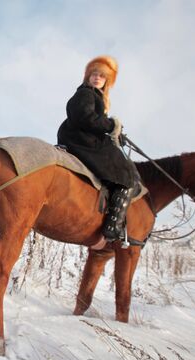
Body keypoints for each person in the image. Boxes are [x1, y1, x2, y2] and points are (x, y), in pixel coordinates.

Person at [57, 55, 137, 242]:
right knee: (126, 172)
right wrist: (110, 126)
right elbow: (86, 117)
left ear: (106, 81)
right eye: (94, 74)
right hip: (80, 139)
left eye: (101, 76)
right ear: (88, 76)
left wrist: (115, 133)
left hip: (83, 137)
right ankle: (113, 225)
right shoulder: (86, 93)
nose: (97, 78)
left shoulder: (96, 96)